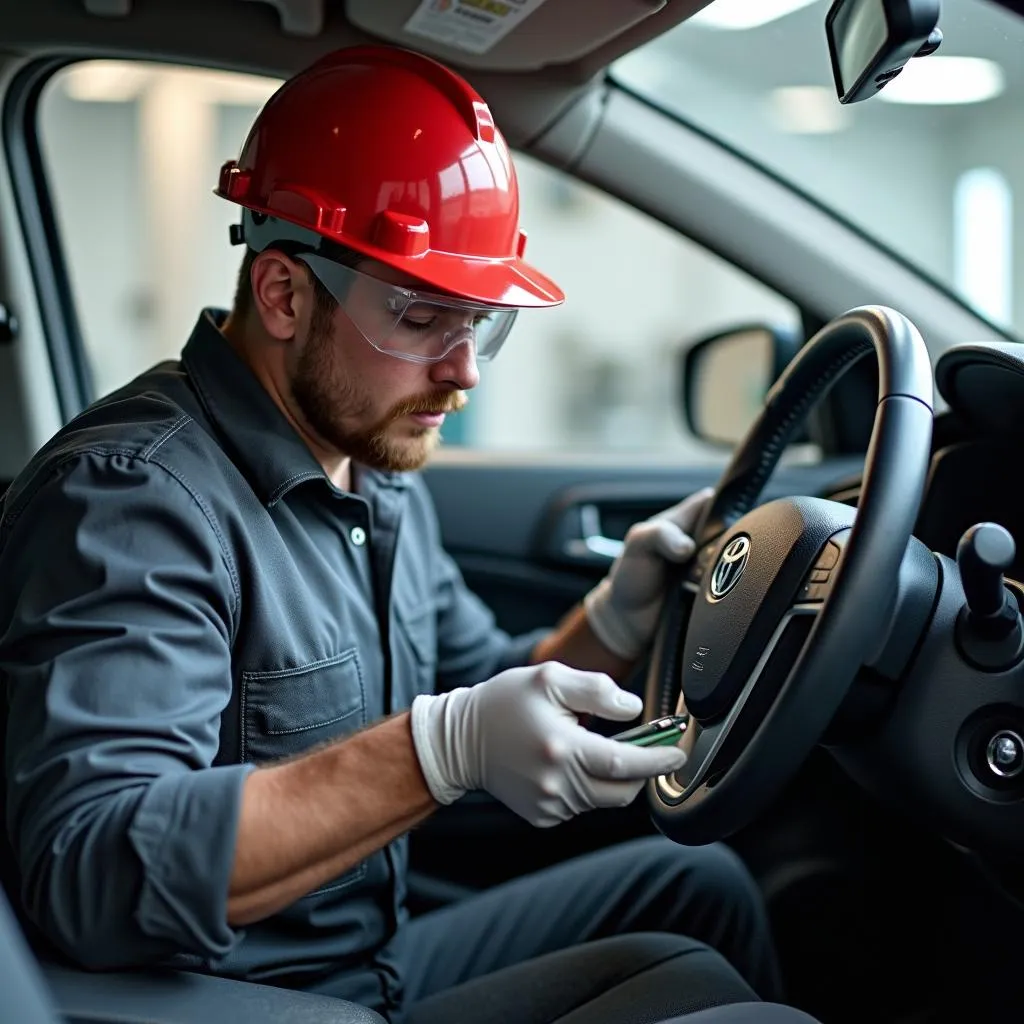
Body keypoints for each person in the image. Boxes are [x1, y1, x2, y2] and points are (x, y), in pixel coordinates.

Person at [0, 44, 782, 1024]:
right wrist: (437, 751)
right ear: (284, 294)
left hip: (378, 951)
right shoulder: (130, 502)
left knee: (700, 890)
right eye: (421, 320)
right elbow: (91, 869)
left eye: (482, 325)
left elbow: (484, 691)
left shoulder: (366, 461)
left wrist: (615, 616)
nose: (465, 374)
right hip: (247, 999)